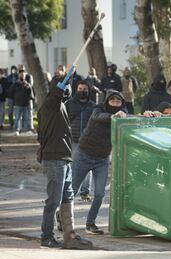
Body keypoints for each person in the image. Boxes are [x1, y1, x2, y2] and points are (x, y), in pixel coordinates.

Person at [37, 77, 92, 249]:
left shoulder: (60, 104)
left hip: (64, 158)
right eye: (66, 87)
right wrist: (68, 74)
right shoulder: (51, 103)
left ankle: (70, 236)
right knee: (54, 200)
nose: (69, 90)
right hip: (54, 159)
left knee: (67, 196)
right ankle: (47, 236)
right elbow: (58, 90)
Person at [71, 90, 127, 235]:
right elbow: (98, 117)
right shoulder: (98, 109)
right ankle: (62, 217)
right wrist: (113, 116)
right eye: (112, 100)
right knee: (72, 190)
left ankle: (90, 223)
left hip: (102, 159)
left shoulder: (123, 114)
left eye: (118, 101)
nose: (115, 103)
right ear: (107, 101)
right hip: (84, 154)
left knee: (100, 193)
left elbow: (132, 121)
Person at [65, 80, 95, 202]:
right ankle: (69, 192)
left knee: (88, 167)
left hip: (88, 141)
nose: (82, 91)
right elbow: (63, 119)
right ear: (76, 89)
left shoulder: (93, 106)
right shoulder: (69, 104)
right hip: (73, 139)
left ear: (88, 91)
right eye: (80, 89)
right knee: (72, 166)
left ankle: (85, 192)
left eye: (85, 89)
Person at [9, 68, 34, 135]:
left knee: (26, 118)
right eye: (21, 74)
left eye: (23, 74)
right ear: (18, 75)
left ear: (25, 76)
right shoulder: (15, 84)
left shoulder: (28, 85)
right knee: (17, 118)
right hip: (17, 104)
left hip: (26, 104)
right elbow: (11, 94)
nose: (22, 75)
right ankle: (16, 130)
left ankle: (26, 130)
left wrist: (30, 101)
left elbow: (31, 95)